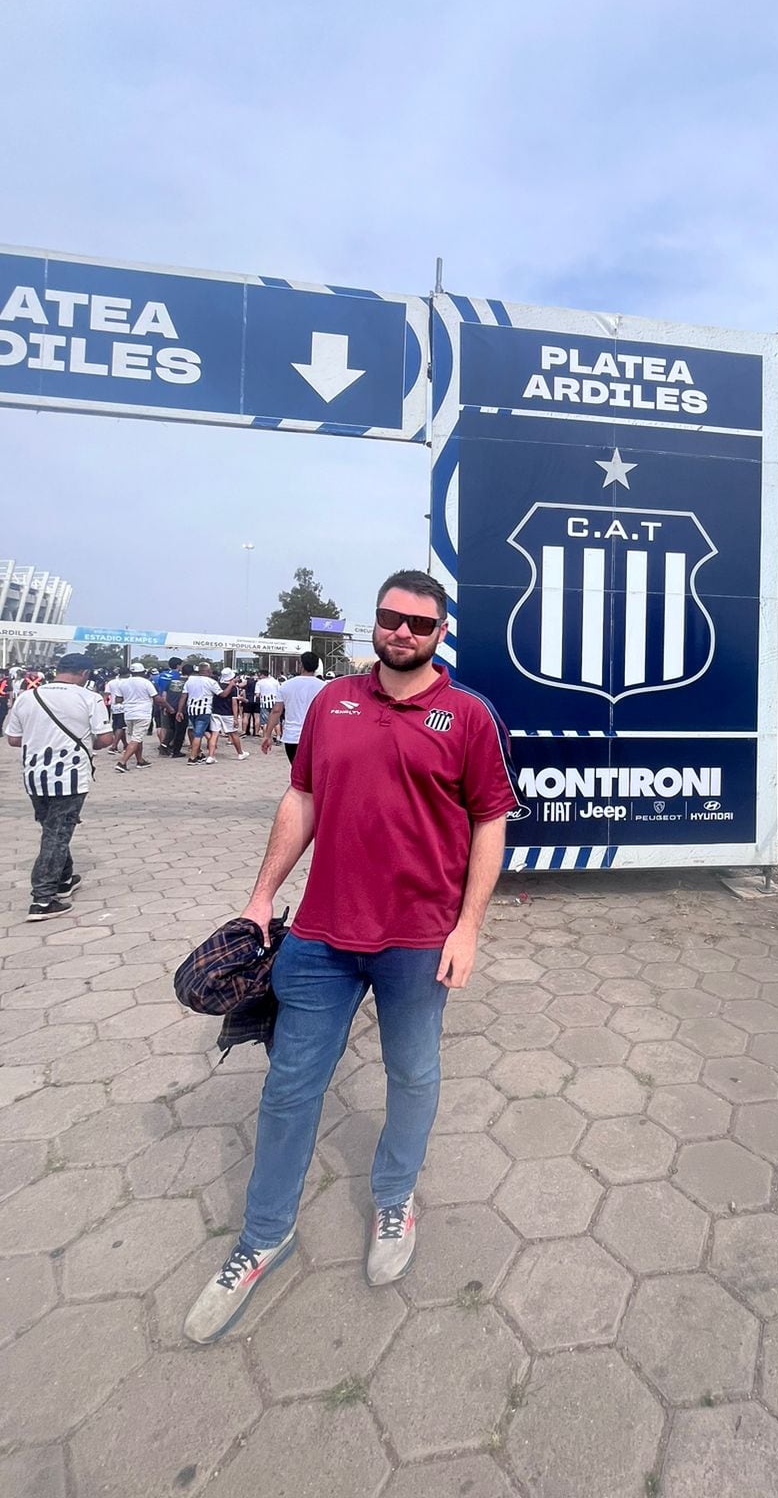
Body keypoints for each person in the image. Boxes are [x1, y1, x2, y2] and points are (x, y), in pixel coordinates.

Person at [184, 569, 517, 1344]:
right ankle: (263, 1238)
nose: (403, 632)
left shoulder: (468, 716)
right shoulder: (333, 704)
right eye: (391, 618)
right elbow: (301, 798)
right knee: (290, 1089)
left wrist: (468, 928)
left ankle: (395, 1196)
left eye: (420, 624)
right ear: (375, 623)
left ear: (441, 634)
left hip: (417, 941)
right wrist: (261, 897)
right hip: (322, 937)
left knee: (413, 1074)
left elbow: (490, 823)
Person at [4, 652, 114, 921]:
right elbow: (106, 738)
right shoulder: (89, 698)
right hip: (70, 776)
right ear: (85, 674)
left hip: (34, 775)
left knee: (52, 828)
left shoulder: (28, 697)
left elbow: (13, 739)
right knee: (57, 834)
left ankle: (65, 878)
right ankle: (42, 898)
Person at [261, 650, 324, 763]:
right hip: (316, 736)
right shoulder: (324, 687)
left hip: (292, 736)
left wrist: (268, 735)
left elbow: (276, 711)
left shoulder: (286, 685)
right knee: (314, 773)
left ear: (302, 665)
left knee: (296, 771)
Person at [179, 662, 231, 765]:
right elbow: (223, 694)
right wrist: (231, 685)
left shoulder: (190, 680)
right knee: (198, 734)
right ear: (208, 671)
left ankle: (198, 754)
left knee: (196, 732)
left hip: (191, 709)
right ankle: (192, 757)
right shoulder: (211, 682)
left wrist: (179, 710)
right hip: (204, 710)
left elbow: (183, 696)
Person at [114, 663, 158, 774]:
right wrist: (169, 707)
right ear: (143, 672)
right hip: (142, 713)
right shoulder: (146, 683)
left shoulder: (123, 683)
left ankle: (140, 760)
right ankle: (122, 762)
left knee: (137, 737)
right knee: (136, 739)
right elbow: (156, 697)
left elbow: (118, 700)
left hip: (128, 714)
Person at [211, 668, 250, 760]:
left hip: (216, 712)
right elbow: (234, 703)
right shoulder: (234, 688)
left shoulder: (217, 685)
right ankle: (240, 753)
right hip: (228, 713)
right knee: (233, 733)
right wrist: (236, 718)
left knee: (214, 734)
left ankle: (211, 755)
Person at [104, 668, 127, 754]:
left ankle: (125, 744)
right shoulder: (127, 682)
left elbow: (106, 694)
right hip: (125, 706)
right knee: (120, 727)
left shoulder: (111, 682)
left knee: (118, 726)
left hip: (114, 707)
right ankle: (113, 746)